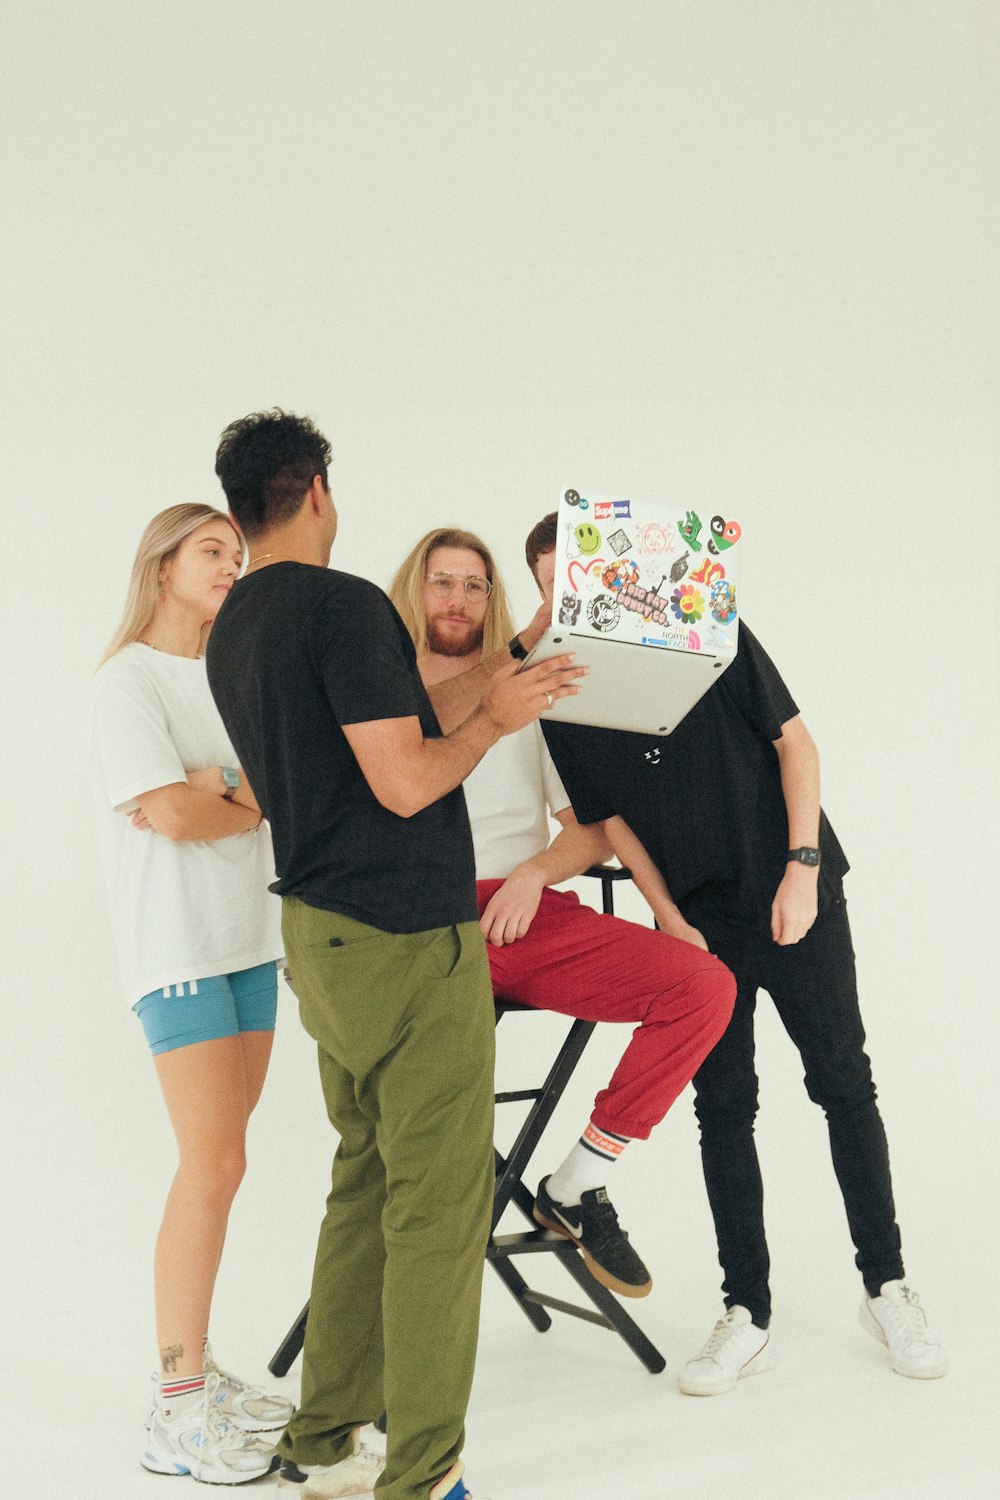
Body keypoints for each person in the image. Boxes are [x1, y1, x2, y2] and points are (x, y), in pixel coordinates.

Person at [205, 411, 582, 1500]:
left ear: (244, 504)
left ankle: (323, 1440)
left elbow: (395, 724)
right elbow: (411, 777)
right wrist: (498, 724)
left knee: (364, 1180)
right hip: (407, 941)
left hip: (320, 938)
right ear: (318, 488)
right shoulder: (345, 605)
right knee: (436, 1203)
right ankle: (421, 1472)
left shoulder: (242, 622)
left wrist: (510, 663)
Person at [526, 511, 948, 1396]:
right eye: (552, 585)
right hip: (702, 920)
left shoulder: (705, 627)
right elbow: (609, 822)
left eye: (580, 576)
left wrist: (801, 869)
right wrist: (667, 916)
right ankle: (746, 1312)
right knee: (724, 1106)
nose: (573, 597)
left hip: (795, 892)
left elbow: (796, 741)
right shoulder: (559, 691)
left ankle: (887, 1287)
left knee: (843, 1084)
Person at [388, 528, 736, 1299]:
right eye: (441, 581)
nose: (457, 598)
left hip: (520, 916)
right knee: (419, 1110)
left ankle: (578, 1181)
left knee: (703, 986)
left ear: (493, 597)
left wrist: (532, 874)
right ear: (414, 590)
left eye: (474, 585)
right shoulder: (380, 689)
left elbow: (591, 824)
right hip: (416, 928)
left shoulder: (528, 695)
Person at [91, 504, 290, 1483]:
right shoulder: (125, 679)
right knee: (207, 1166)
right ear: (162, 565)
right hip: (175, 952)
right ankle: (175, 1408)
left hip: (250, 943)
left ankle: (199, 1370)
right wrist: (228, 792)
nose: (232, 565)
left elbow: (271, 797)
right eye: (214, 550)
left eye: (238, 553)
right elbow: (169, 813)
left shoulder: (229, 677)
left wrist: (226, 785)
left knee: (226, 1162)